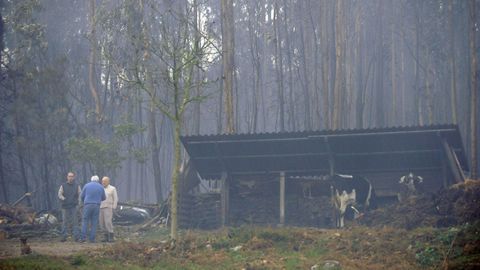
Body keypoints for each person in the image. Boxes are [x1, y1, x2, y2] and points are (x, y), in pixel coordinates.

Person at [79, 175, 106, 243]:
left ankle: (83, 238)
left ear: (91, 180)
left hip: (87, 205)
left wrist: (84, 200)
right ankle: (92, 239)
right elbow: (104, 197)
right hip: (96, 205)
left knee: (85, 221)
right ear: (98, 180)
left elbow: (82, 196)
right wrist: (98, 199)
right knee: (94, 222)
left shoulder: (86, 185)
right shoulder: (101, 187)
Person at [58, 172, 81, 242]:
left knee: (75, 222)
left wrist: (79, 203)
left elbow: (80, 194)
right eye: (69, 176)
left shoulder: (77, 186)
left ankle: (76, 237)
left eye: (72, 176)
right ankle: (63, 237)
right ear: (67, 177)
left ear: (74, 177)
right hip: (65, 207)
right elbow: (59, 194)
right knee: (65, 222)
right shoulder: (63, 185)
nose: (70, 178)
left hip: (74, 206)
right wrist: (64, 199)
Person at [99, 176, 118, 242]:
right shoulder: (100, 188)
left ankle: (111, 235)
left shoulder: (112, 188)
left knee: (108, 222)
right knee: (102, 223)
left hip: (108, 207)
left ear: (108, 181)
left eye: (105, 181)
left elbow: (115, 199)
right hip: (100, 207)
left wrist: (114, 207)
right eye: (102, 181)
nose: (103, 182)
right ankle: (105, 236)